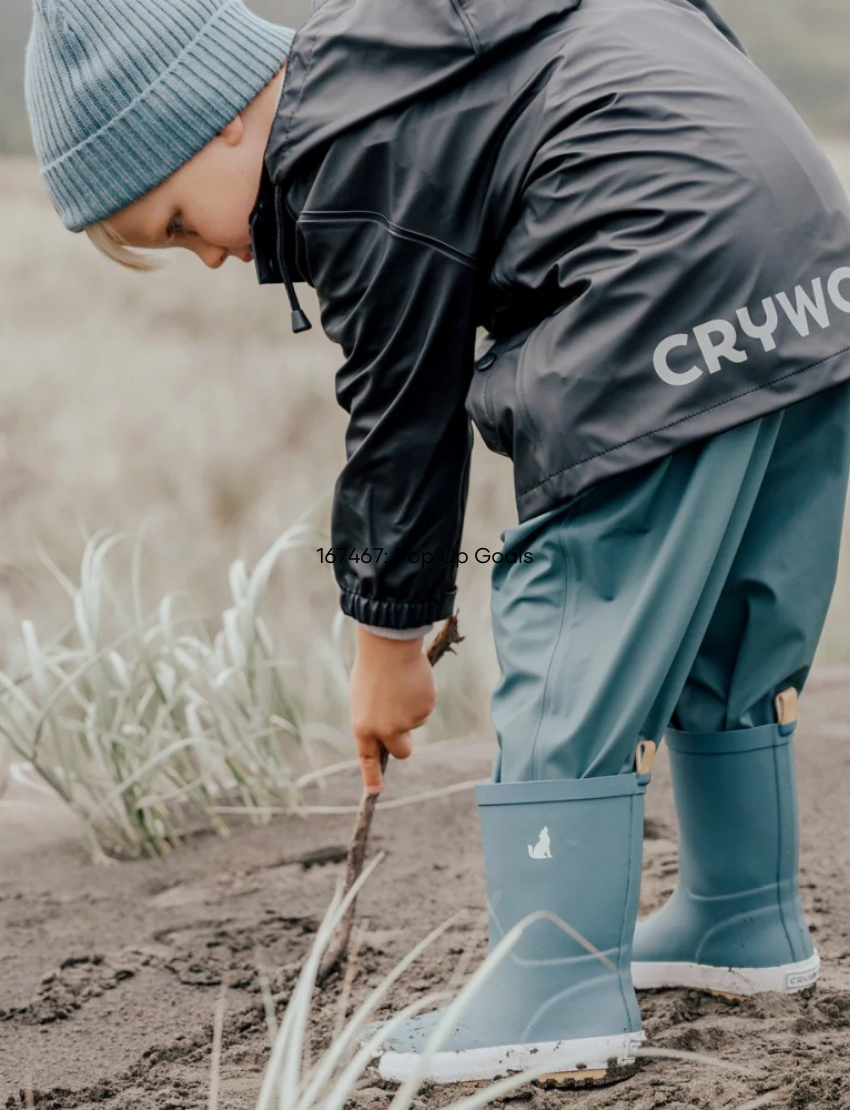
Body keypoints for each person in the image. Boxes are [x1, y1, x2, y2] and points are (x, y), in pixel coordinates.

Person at [25, 0, 850, 1089]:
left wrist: (387, 644)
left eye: (178, 223)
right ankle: (741, 916)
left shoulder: (340, 155)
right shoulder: (406, 62)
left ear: (219, 120)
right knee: (730, 610)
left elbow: (402, 422)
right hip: (802, 259)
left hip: (657, 273)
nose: (213, 259)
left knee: (577, 613)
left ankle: (553, 984)